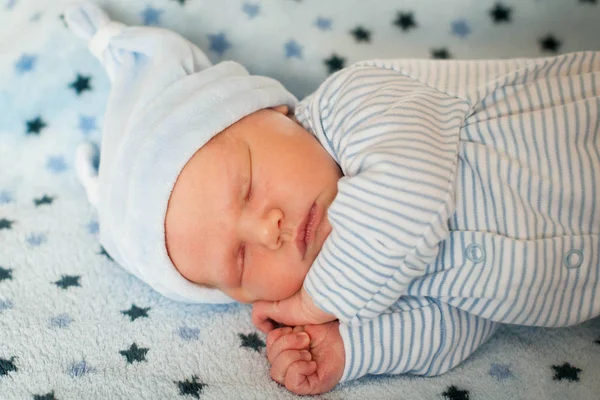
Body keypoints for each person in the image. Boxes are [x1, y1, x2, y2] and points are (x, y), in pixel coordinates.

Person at [65, 2, 600, 396]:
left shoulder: (355, 105)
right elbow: (460, 325)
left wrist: (315, 304)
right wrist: (346, 350)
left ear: (276, 114)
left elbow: (409, 199)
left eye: (247, 187)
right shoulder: (366, 284)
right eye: (241, 260)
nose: (266, 229)